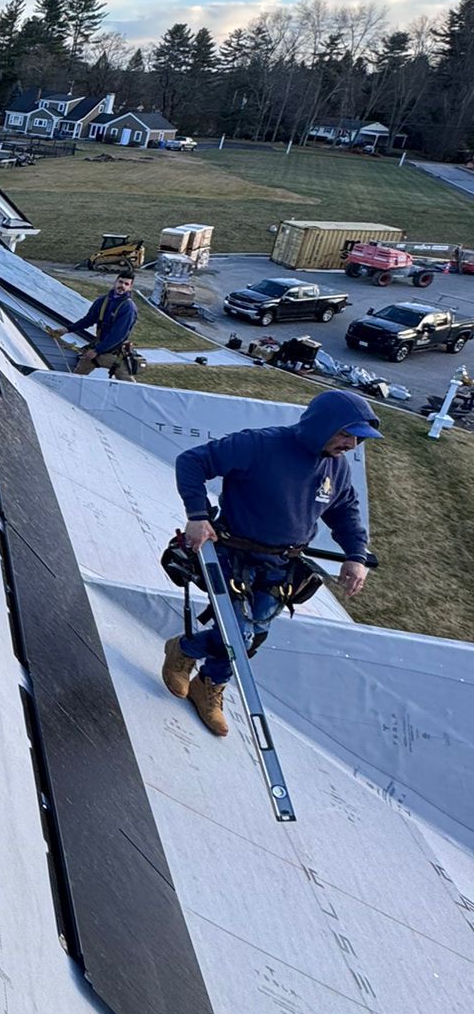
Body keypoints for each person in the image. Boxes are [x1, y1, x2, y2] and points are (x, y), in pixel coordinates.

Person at [163, 388, 380, 736]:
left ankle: (207, 681)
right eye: (346, 434)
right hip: (234, 555)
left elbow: (345, 513)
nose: (351, 445)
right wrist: (197, 514)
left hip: (281, 565)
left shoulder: (336, 470)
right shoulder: (260, 445)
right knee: (238, 631)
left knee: (253, 636)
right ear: (322, 426)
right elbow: (192, 462)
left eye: (358, 439)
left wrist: (356, 556)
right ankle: (183, 651)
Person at [60, 270, 139, 379]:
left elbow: (117, 335)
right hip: (98, 348)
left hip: (114, 353)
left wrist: (97, 350)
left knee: (127, 384)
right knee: (77, 375)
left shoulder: (128, 308)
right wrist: (67, 329)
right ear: (115, 282)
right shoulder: (102, 301)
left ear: (130, 287)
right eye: (120, 282)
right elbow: (89, 320)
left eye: (126, 284)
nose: (122, 286)